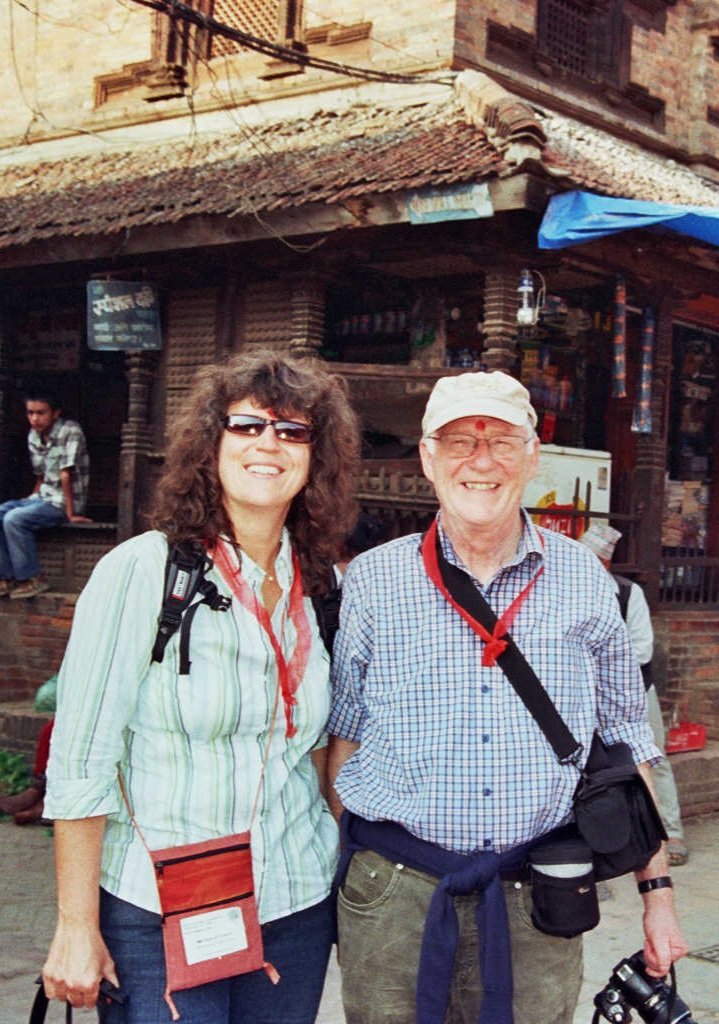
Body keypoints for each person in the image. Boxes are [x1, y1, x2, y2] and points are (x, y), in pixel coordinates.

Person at [327, 370, 687, 1024]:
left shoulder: (582, 578)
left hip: (537, 899)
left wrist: (657, 900)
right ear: (427, 460)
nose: (481, 461)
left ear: (531, 457)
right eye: (459, 441)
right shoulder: (374, 581)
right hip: (393, 897)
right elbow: (344, 737)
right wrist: (336, 882)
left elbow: (629, 742)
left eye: (500, 441)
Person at [42, 352, 360, 1023]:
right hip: (160, 905)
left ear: (316, 457)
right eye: (245, 426)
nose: (267, 444)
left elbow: (318, 752)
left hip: (294, 901)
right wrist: (76, 924)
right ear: (209, 443)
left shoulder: (325, 588)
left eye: (292, 431)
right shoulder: (144, 572)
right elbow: (80, 762)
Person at [579, 522, 689, 867]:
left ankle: (671, 833)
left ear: (605, 564)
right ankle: (606, 839)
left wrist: (593, 662)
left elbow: (641, 650)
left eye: (590, 560)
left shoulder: (628, 593)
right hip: (583, 696)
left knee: (652, 761)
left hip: (635, 692)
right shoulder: (565, 594)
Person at [0, 388, 89, 600]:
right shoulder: (34, 435)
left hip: (65, 501)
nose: (34, 418)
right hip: (43, 497)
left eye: (41, 413)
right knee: (2, 511)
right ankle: (5, 578)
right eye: (30, 413)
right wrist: (29, 501)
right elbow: (41, 477)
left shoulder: (70, 431)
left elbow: (65, 474)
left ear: (55, 413)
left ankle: (32, 578)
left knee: (15, 519)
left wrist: (70, 513)